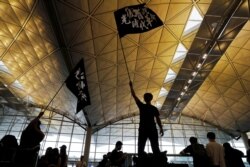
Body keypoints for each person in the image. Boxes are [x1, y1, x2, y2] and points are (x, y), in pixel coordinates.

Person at [129, 81, 163, 158]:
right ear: (151, 99)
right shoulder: (154, 108)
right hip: (152, 129)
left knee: (141, 147)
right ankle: (158, 162)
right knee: (155, 147)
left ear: (144, 99)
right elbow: (158, 119)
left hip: (143, 129)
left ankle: (141, 162)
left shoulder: (142, 106)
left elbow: (134, 95)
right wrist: (161, 128)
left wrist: (131, 86)